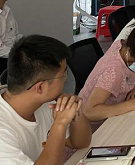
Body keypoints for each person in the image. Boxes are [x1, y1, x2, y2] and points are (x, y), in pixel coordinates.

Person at [0, 35, 91, 165]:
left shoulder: (44, 104)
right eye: (63, 75)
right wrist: (59, 124)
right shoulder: (3, 131)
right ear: (40, 87)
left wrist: (76, 113)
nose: (66, 79)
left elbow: (81, 143)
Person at [78, 28, 135, 131]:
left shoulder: (125, 47)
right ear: (132, 54)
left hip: (118, 115)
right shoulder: (113, 71)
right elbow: (89, 112)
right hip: (95, 129)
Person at [0, 0, 21, 75]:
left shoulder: (7, 10)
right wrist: (19, 55)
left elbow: (15, 35)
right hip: (3, 59)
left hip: (12, 55)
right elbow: (0, 50)